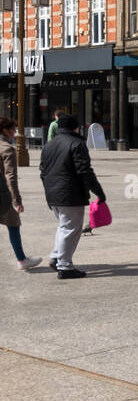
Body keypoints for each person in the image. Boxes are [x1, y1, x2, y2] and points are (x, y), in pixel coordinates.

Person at [39, 114, 107, 280]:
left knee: (63, 226)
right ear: (74, 128)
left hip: (53, 193)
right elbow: (84, 170)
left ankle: (56, 256)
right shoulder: (76, 143)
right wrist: (98, 191)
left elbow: (42, 171)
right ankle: (65, 266)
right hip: (70, 193)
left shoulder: (49, 145)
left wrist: (49, 189)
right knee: (70, 229)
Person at [0, 116, 40, 270]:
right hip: (3, 193)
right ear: (5, 130)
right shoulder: (7, 148)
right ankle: (22, 260)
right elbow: (10, 176)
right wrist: (16, 200)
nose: (15, 133)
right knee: (13, 224)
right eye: (13, 130)